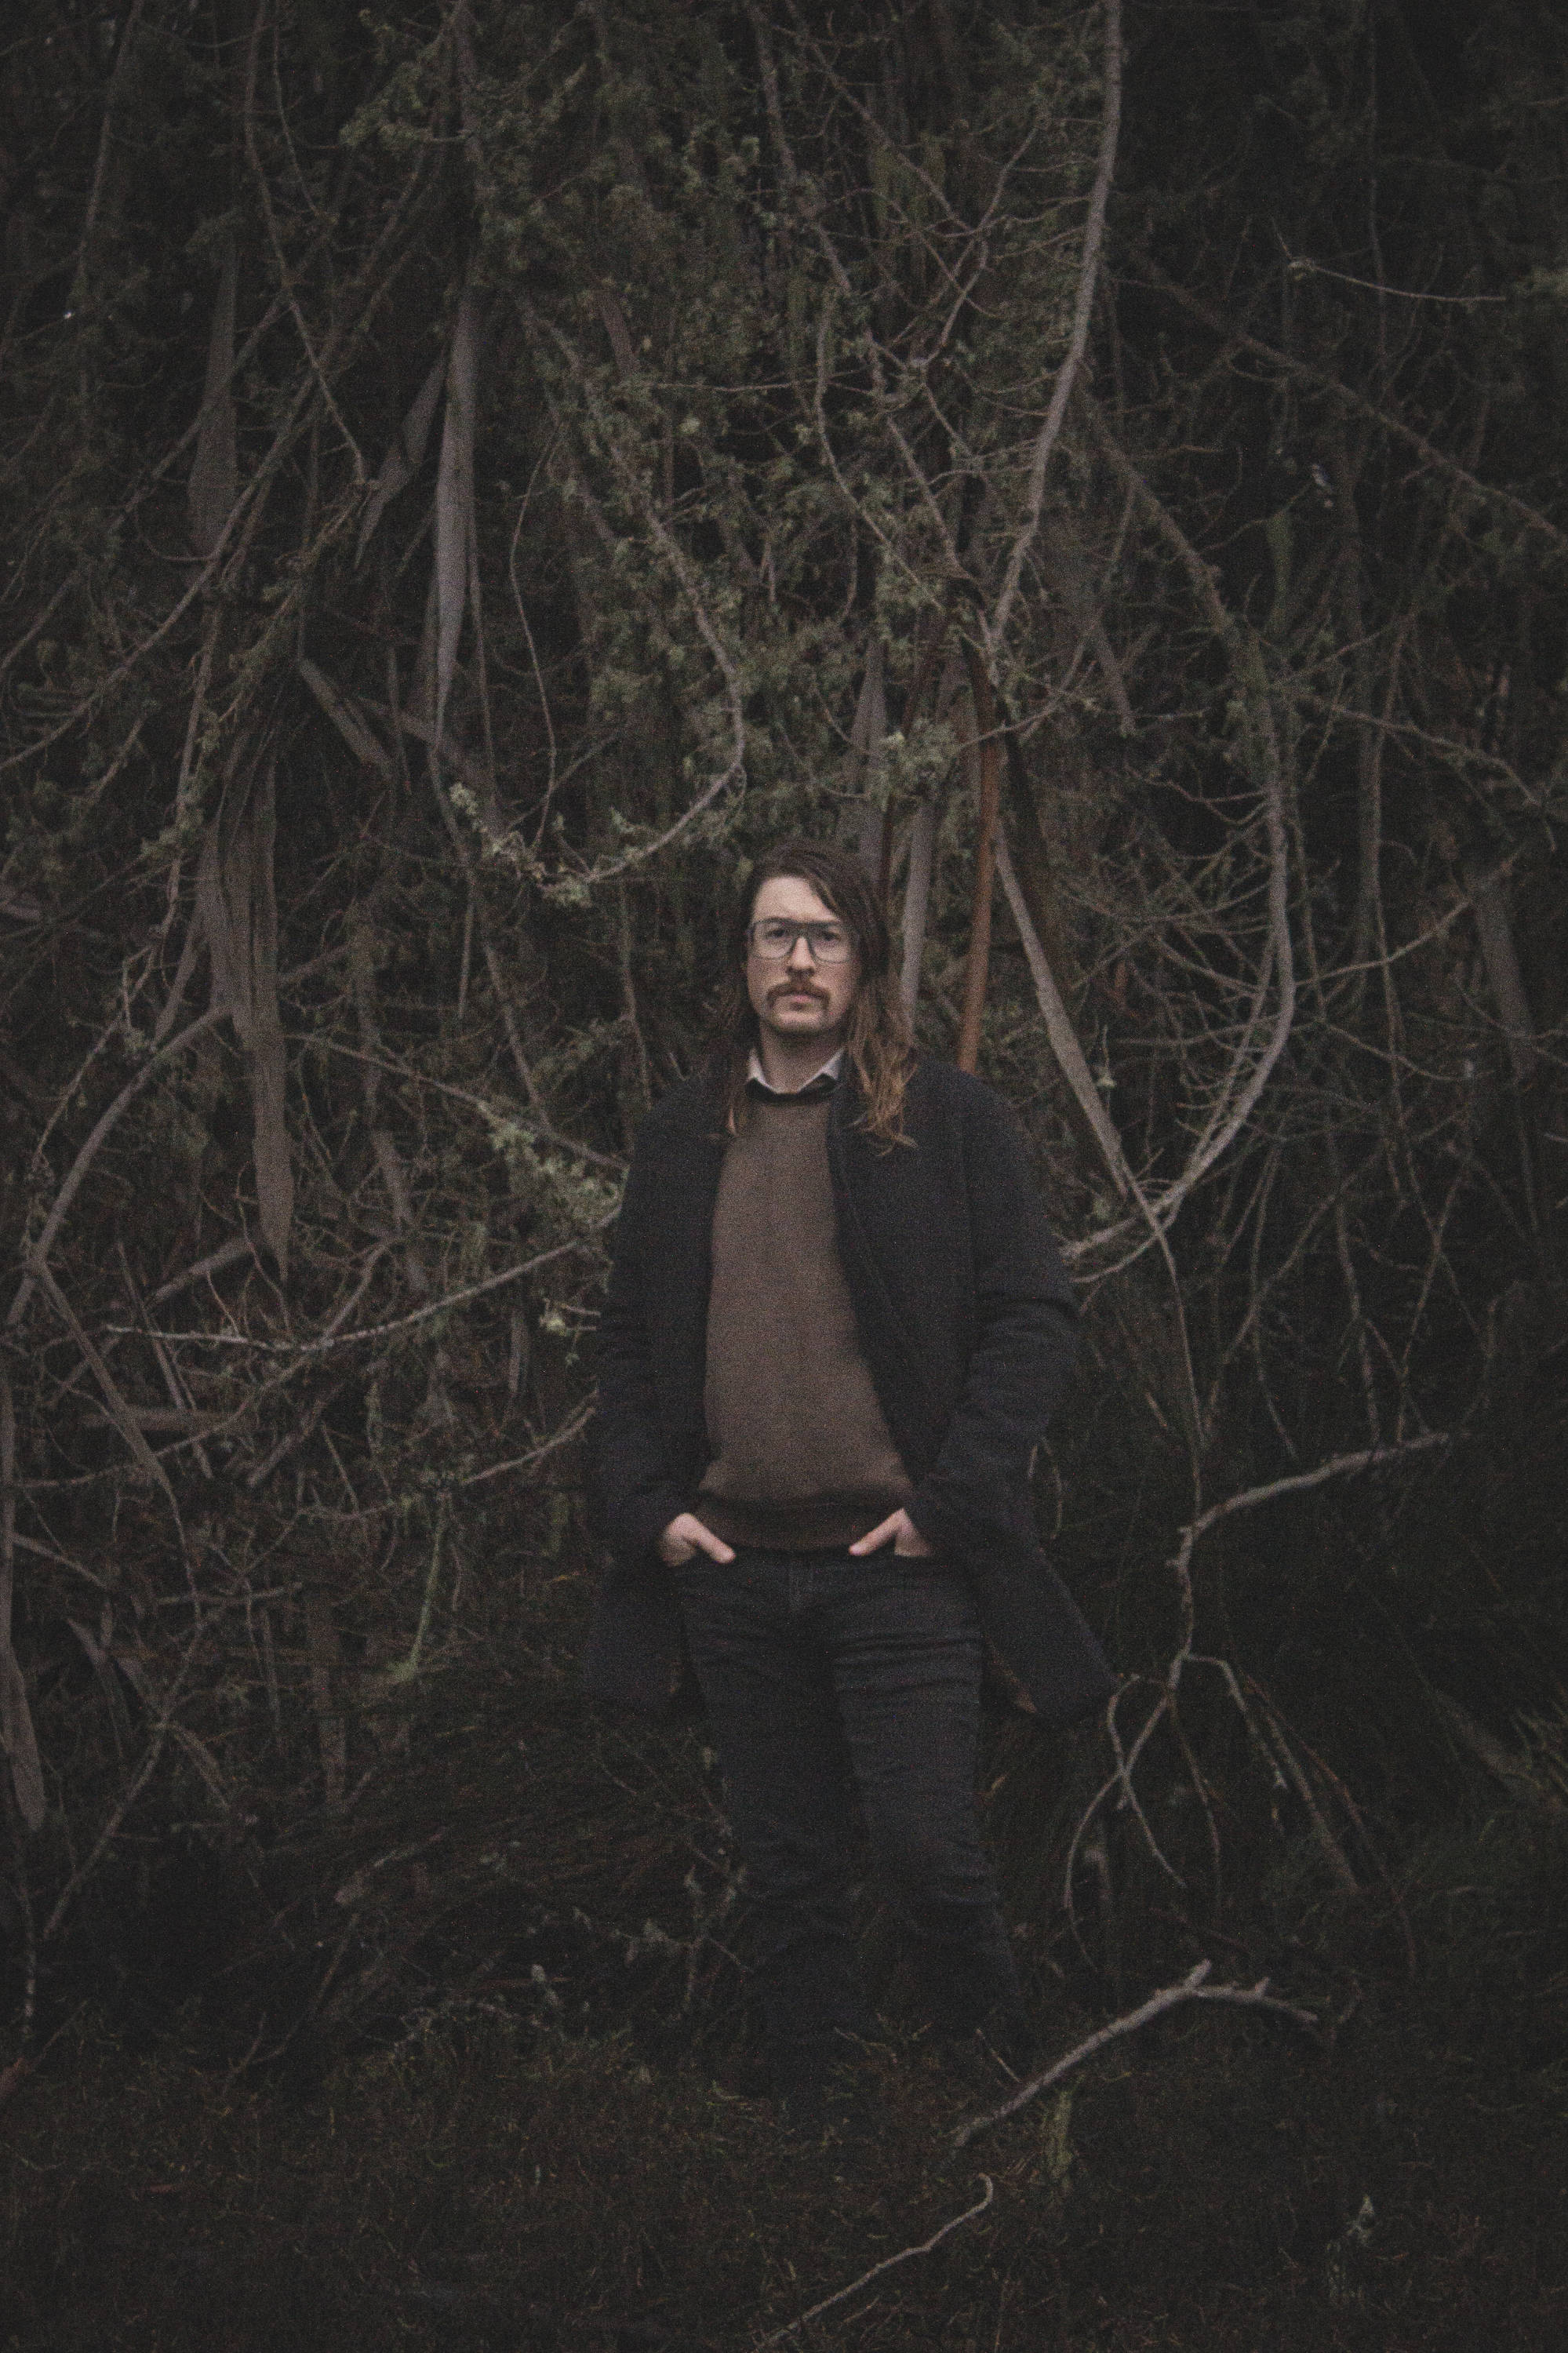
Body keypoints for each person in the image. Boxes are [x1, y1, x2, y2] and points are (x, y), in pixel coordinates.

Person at [585, 837, 1112, 2127]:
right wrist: (652, 1515)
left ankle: (1006, 2129)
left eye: (825, 935)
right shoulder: (682, 1136)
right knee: (791, 1885)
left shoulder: (945, 1122)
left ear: (864, 959)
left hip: (900, 1572)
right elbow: (628, 1345)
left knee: (932, 1862)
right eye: (777, 934)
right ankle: (821, 2160)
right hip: (734, 1576)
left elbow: (1034, 1317)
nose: (800, 959)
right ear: (743, 961)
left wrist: (948, 1506)